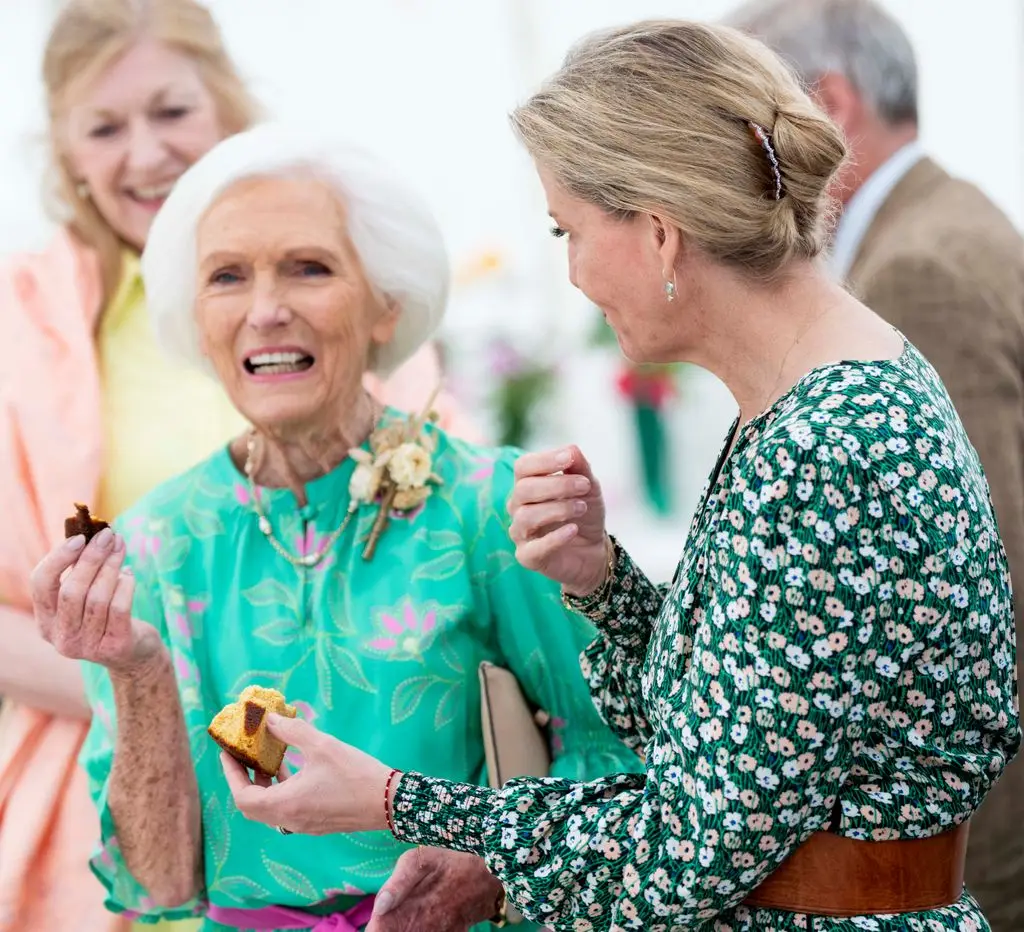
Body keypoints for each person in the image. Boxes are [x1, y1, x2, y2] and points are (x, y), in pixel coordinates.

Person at [210, 19, 1020, 932]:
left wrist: (393, 799)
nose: (573, 273)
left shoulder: (828, 446)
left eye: (570, 230)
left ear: (661, 233)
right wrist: (601, 580)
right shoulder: (812, 403)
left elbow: (688, 851)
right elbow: (718, 747)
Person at [26, 121, 641, 932]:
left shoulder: (487, 505)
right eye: (227, 277)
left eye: (308, 268)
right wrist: (136, 672)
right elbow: (160, 881)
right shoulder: (157, 542)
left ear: (386, 304)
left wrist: (490, 864)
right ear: (196, 320)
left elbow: (618, 753)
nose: (266, 310)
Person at [0, 3, 479, 931]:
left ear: (223, 109)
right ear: (65, 152)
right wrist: (151, 692)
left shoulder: (343, 303)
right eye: (104, 127)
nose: (144, 154)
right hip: (100, 791)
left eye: (170, 111)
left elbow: (442, 538)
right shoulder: (17, 327)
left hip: (355, 797)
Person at [723, 7, 1024, 922]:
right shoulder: (947, 218)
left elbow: (980, 586)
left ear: (831, 105)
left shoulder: (911, 271)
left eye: (729, 132)